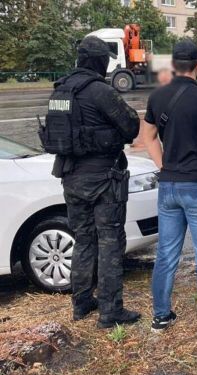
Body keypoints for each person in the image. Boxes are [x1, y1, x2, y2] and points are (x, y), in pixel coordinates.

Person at [41, 36, 141, 328]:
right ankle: (110, 311)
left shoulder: (60, 90)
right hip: (102, 179)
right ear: (100, 62)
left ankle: (81, 302)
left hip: (70, 176)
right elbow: (130, 126)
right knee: (110, 242)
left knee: (83, 239)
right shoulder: (100, 91)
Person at [139, 40, 197, 341]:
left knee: (166, 254)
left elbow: (148, 136)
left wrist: (164, 165)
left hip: (169, 187)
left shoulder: (157, 96)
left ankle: (160, 317)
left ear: (174, 65)